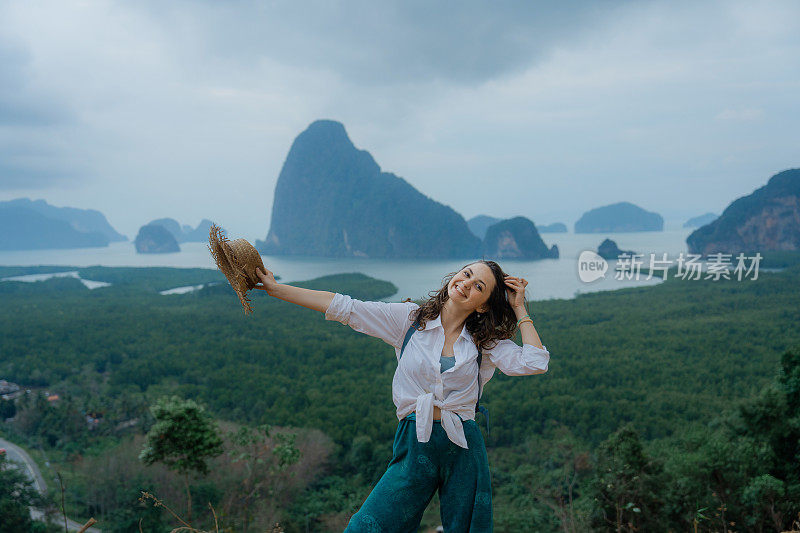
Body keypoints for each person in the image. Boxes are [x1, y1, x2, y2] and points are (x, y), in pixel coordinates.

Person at [254, 260, 550, 532]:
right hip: (415, 438)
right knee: (367, 526)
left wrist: (520, 309)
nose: (466, 284)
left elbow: (536, 363)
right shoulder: (410, 320)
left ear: (483, 306)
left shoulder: (484, 342)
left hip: (462, 444)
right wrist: (276, 289)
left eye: (479, 287)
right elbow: (345, 307)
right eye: (467, 274)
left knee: (468, 528)